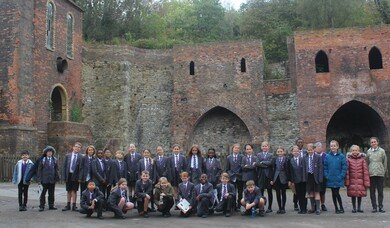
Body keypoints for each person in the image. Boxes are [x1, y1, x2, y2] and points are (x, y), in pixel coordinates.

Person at [345, 145, 370, 213]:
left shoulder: (362, 160)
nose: (354, 152)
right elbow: (347, 171)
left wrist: (366, 182)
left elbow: (365, 171)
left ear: (358, 151)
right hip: (352, 180)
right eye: (353, 150)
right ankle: (354, 208)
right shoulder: (348, 160)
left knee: (360, 194)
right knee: (353, 194)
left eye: (356, 150)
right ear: (351, 151)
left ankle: (359, 207)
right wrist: (347, 181)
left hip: (360, 180)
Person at [324, 140, 347, 214]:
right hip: (330, 178)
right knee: (333, 193)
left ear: (337, 146)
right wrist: (327, 175)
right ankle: (336, 208)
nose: (333, 147)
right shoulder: (327, 156)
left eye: (334, 146)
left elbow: (344, 167)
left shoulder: (341, 156)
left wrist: (341, 176)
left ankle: (341, 207)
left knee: (337, 193)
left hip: (338, 178)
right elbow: (325, 167)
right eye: (331, 146)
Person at [366, 137, 387, 213]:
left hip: (380, 174)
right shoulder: (368, 152)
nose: (373, 143)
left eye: (375, 142)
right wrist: (368, 171)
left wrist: (383, 171)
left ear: (377, 142)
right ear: (370, 143)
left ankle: (380, 206)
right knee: (372, 191)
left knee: (380, 191)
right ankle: (374, 207)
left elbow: (385, 162)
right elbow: (367, 162)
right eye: (372, 142)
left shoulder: (382, 151)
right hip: (371, 174)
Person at [37, 146, 60, 212]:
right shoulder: (43, 160)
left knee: (51, 193)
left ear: (52, 153)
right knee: (43, 193)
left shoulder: (55, 160)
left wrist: (57, 177)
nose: (49, 153)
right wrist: (39, 179)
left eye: (51, 152)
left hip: (52, 180)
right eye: (48, 152)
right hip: (44, 180)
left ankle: (51, 205)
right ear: (46, 153)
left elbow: (56, 169)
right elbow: (39, 170)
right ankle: (42, 206)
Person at [62, 142, 82, 211]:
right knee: (68, 190)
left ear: (80, 149)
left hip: (76, 176)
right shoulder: (67, 156)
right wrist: (64, 177)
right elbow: (64, 167)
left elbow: (81, 168)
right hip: (69, 175)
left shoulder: (81, 157)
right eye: (76, 146)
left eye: (79, 147)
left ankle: (74, 205)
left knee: (74, 190)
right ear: (73, 147)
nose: (77, 148)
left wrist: (80, 177)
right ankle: (68, 205)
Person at [288, 145, 307, 214]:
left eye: (297, 151)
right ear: (292, 152)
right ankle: (301, 208)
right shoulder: (291, 161)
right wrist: (292, 181)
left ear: (299, 152)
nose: (296, 152)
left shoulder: (303, 159)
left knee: (303, 195)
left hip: (303, 180)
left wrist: (305, 179)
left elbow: (305, 170)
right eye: (294, 151)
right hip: (296, 180)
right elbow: (291, 171)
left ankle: (304, 208)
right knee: (298, 195)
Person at [256, 141, 274, 213]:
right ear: (261, 147)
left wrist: (262, 162)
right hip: (260, 175)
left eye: (266, 146)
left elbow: (270, 163)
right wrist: (265, 164)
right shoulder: (258, 155)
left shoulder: (271, 155)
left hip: (268, 175)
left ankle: (270, 207)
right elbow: (257, 164)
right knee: (261, 192)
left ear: (268, 147)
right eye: (263, 146)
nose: (264, 147)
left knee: (270, 192)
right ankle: (262, 207)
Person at [305, 143, 323, 215]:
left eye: (311, 150)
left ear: (314, 149)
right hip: (309, 177)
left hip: (316, 177)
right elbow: (304, 169)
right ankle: (313, 208)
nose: (310, 151)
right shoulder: (305, 158)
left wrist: (320, 178)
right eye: (308, 150)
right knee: (310, 192)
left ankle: (318, 208)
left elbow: (320, 168)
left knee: (317, 192)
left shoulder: (318, 157)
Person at [270, 147, 288, 214]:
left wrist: (289, 179)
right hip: (276, 177)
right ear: (276, 153)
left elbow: (288, 169)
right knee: (277, 193)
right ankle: (279, 207)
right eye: (278, 152)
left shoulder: (286, 159)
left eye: (281, 151)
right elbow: (272, 169)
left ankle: (283, 208)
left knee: (283, 192)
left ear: (284, 152)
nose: (279, 153)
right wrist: (272, 179)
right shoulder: (275, 159)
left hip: (284, 177)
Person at [226, 144, 244, 211]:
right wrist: (231, 174)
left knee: (240, 192)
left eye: (238, 148)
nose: (237, 149)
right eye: (235, 148)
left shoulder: (242, 157)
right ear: (232, 149)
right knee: (233, 192)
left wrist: (240, 174)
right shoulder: (229, 157)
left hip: (240, 177)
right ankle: (233, 205)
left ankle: (239, 206)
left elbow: (243, 167)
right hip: (232, 177)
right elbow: (227, 168)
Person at [315, 142, 328, 211]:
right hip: (315, 177)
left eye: (319, 147)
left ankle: (322, 204)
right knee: (316, 191)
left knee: (322, 192)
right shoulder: (313, 156)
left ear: (322, 148)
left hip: (323, 177)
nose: (318, 148)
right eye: (317, 147)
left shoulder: (326, 156)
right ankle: (316, 205)